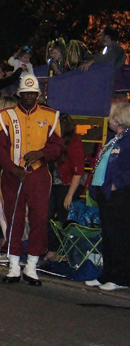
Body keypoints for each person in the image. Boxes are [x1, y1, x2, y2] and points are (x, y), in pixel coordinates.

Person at [0, 75, 63, 286]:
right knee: (14, 218)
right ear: (19, 94)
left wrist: (42, 153)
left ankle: (31, 266)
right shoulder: (5, 116)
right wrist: (13, 169)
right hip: (12, 175)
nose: (30, 97)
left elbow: (58, 146)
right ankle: (13, 265)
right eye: (26, 93)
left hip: (39, 174)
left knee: (40, 218)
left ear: (38, 95)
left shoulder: (51, 115)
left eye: (33, 93)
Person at [89, 102, 130, 290]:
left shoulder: (127, 140)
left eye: (112, 116)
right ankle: (107, 274)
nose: (109, 120)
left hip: (120, 195)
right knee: (108, 236)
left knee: (119, 236)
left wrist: (116, 184)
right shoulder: (115, 138)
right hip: (105, 194)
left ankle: (121, 278)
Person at [45, 113, 84, 261]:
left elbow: (78, 171)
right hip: (54, 185)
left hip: (66, 185)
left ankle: (63, 251)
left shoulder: (74, 143)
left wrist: (69, 195)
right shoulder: (54, 142)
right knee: (48, 217)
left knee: (63, 218)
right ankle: (52, 248)